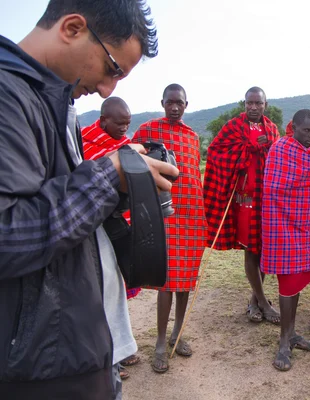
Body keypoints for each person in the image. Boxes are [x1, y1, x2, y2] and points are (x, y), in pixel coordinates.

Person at [0, 1, 177, 399]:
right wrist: (107, 175)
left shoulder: (54, 101)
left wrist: (123, 186)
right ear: (73, 28)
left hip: (73, 348)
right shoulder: (6, 94)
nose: (107, 89)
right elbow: (7, 234)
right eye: (112, 68)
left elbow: (57, 203)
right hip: (37, 368)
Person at [132, 84, 207, 373]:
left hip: (191, 216)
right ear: (162, 102)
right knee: (167, 280)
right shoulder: (148, 130)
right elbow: (132, 158)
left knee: (186, 279)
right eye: (170, 102)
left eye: (180, 103)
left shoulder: (191, 135)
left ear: (187, 105)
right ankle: (161, 343)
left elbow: (193, 174)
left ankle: (178, 333)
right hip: (165, 215)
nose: (175, 107)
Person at [203, 87, 281, 324]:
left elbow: (277, 159)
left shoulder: (272, 129)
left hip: (266, 199)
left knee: (265, 249)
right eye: (250, 103)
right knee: (251, 250)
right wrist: (247, 149)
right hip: (245, 200)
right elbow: (215, 152)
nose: (254, 107)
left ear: (265, 104)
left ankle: (254, 301)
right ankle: (263, 303)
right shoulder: (233, 127)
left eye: (258, 103)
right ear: (244, 104)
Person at [82, 96, 141, 379]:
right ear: (103, 120)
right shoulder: (84, 145)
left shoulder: (124, 147)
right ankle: (107, 359)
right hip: (91, 230)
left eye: (128, 124)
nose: (124, 129)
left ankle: (118, 350)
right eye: (119, 124)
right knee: (98, 293)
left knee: (116, 289)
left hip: (117, 227)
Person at [261, 109, 310, 371]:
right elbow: (274, 186)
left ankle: (292, 333)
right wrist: (299, 191)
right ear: (293, 127)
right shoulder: (280, 149)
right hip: (282, 224)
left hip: (308, 224)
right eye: (306, 130)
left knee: (298, 280)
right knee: (287, 283)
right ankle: (284, 342)